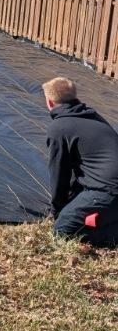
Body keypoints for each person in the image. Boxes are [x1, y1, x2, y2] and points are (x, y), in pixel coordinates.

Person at [43, 77, 118, 246]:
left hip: (108, 190)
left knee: (62, 230)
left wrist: (57, 210)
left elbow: (59, 174)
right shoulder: (93, 115)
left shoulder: (59, 127)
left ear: (50, 102)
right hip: (108, 185)